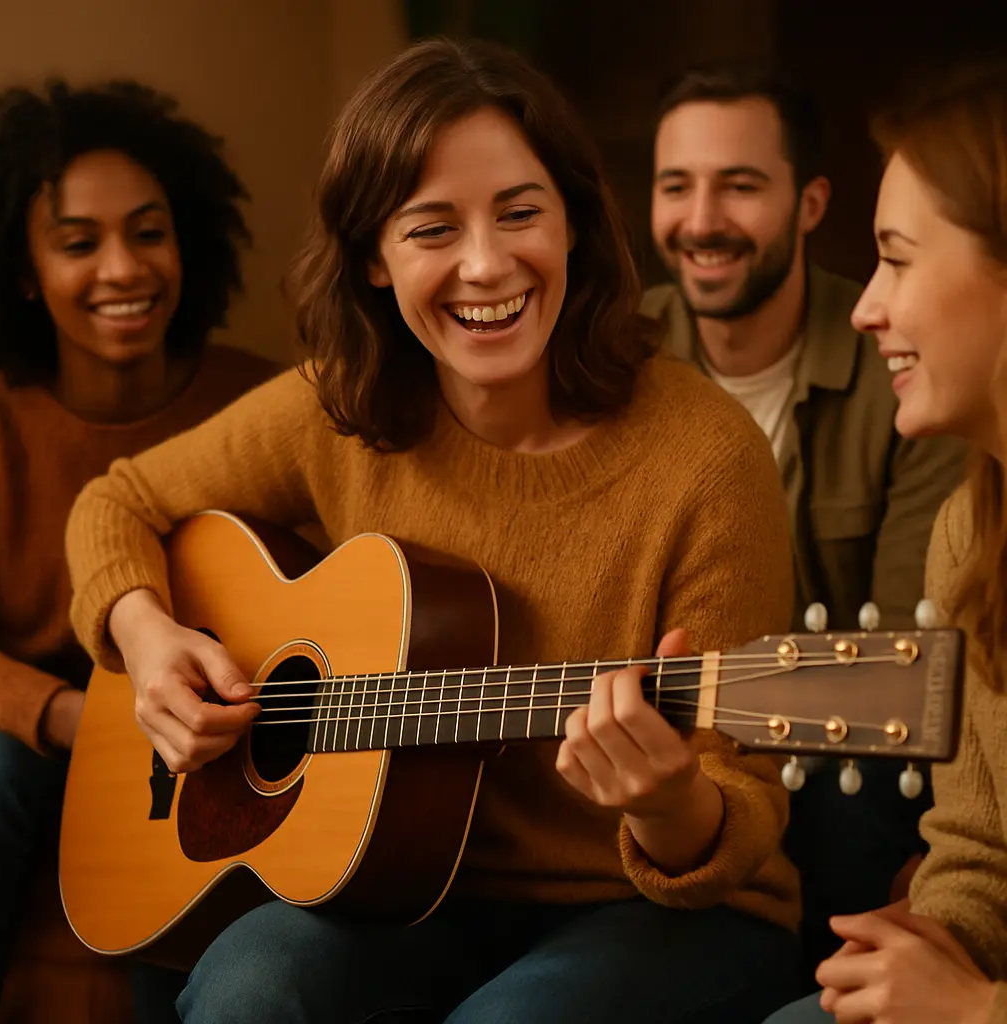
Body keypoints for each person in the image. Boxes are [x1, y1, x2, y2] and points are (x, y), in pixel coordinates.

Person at [65, 38, 802, 1024]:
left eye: (520, 212)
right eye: (430, 228)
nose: (485, 265)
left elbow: (736, 810)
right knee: (251, 989)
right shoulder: (339, 407)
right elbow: (114, 501)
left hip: (656, 907)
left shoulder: (707, 456)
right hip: (406, 888)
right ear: (373, 256)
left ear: (577, 222)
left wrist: (669, 801)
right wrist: (149, 640)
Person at [642, 59, 968, 971]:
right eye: (677, 187)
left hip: (836, 757)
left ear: (811, 203)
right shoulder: (613, 363)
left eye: (739, 186)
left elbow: (914, 659)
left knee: (851, 815)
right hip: (653, 744)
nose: (702, 220)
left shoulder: (908, 366)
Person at [0, 79, 278, 1020]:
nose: (124, 268)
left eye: (149, 233)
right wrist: (80, 718)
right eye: (79, 243)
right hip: (42, 738)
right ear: (26, 270)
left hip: (206, 741)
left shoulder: (260, 405)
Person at [763, 59, 1007, 1024]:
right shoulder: (972, 530)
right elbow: (982, 855)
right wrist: (919, 944)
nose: (865, 306)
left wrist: (975, 1007)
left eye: (898, 258)